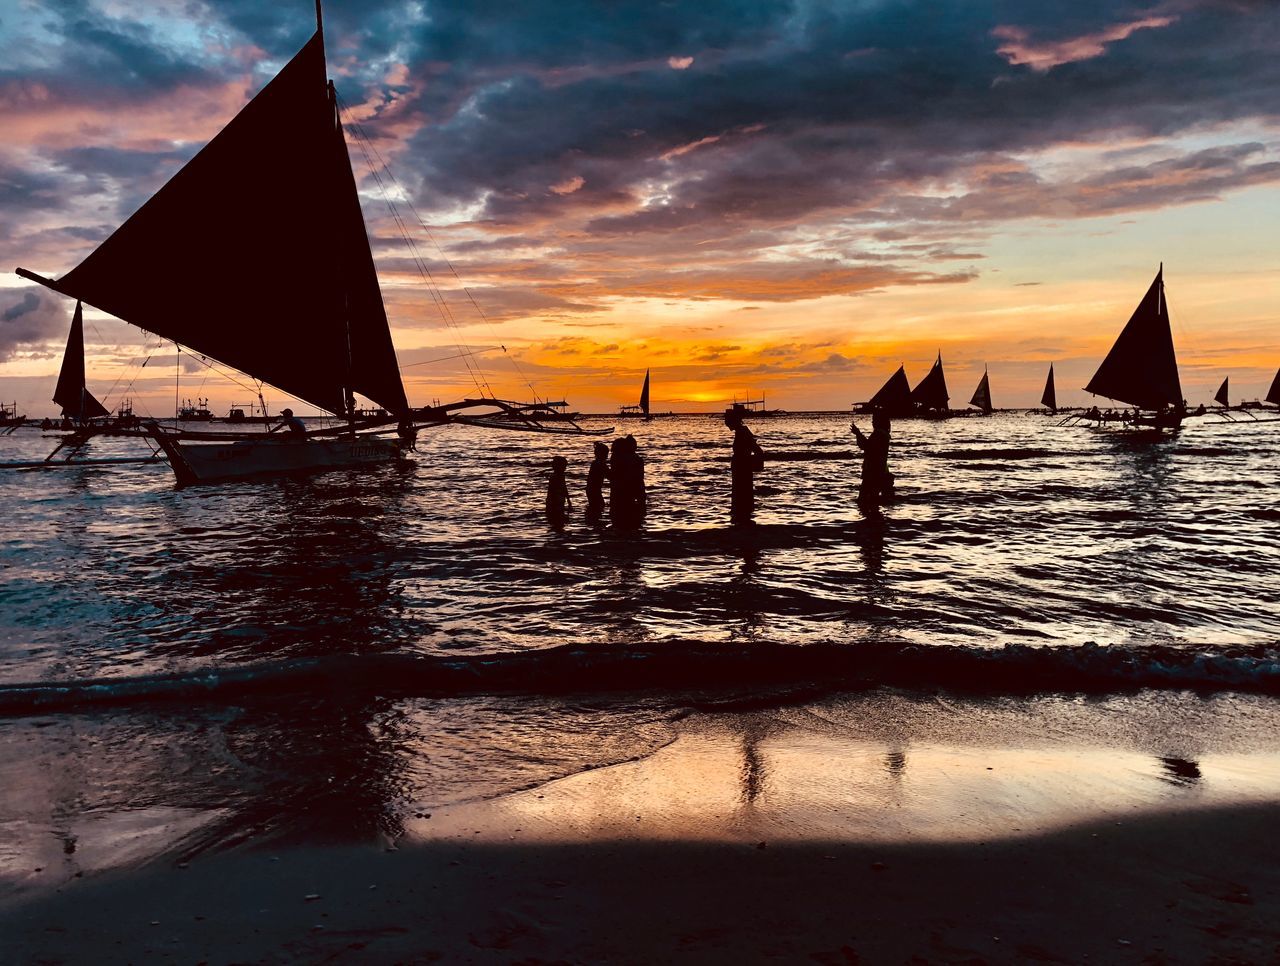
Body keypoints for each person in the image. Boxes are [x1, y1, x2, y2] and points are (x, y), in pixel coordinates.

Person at [726, 410, 764, 523]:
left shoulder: (743, 433)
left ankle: (743, 518)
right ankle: (741, 517)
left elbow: (758, 451)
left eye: (727, 420)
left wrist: (756, 465)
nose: (726, 423)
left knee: (742, 495)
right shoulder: (740, 432)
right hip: (740, 469)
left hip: (743, 469)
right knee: (740, 496)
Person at [851, 408, 894, 507]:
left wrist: (858, 434)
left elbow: (867, 446)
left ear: (879, 421)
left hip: (872, 472)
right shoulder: (883, 434)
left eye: (874, 420)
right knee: (871, 501)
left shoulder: (878, 434)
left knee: (865, 500)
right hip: (878, 470)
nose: (872, 422)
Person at [610, 435, 646, 529]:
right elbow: (639, 479)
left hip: (622, 492)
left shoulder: (618, 458)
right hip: (627, 491)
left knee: (619, 518)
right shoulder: (634, 459)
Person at [585, 441, 610, 522]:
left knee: (595, 506)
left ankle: (592, 519)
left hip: (591, 489)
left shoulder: (595, 463)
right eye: (606, 454)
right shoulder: (600, 464)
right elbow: (610, 476)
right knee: (598, 506)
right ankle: (594, 520)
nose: (607, 456)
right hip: (594, 490)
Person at [546, 455, 571, 528]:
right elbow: (552, 492)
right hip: (554, 501)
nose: (565, 468)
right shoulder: (554, 477)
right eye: (564, 466)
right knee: (556, 518)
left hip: (558, 500)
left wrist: (568, 499)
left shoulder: (561, 475)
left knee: (558, 519)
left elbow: (564, 487)